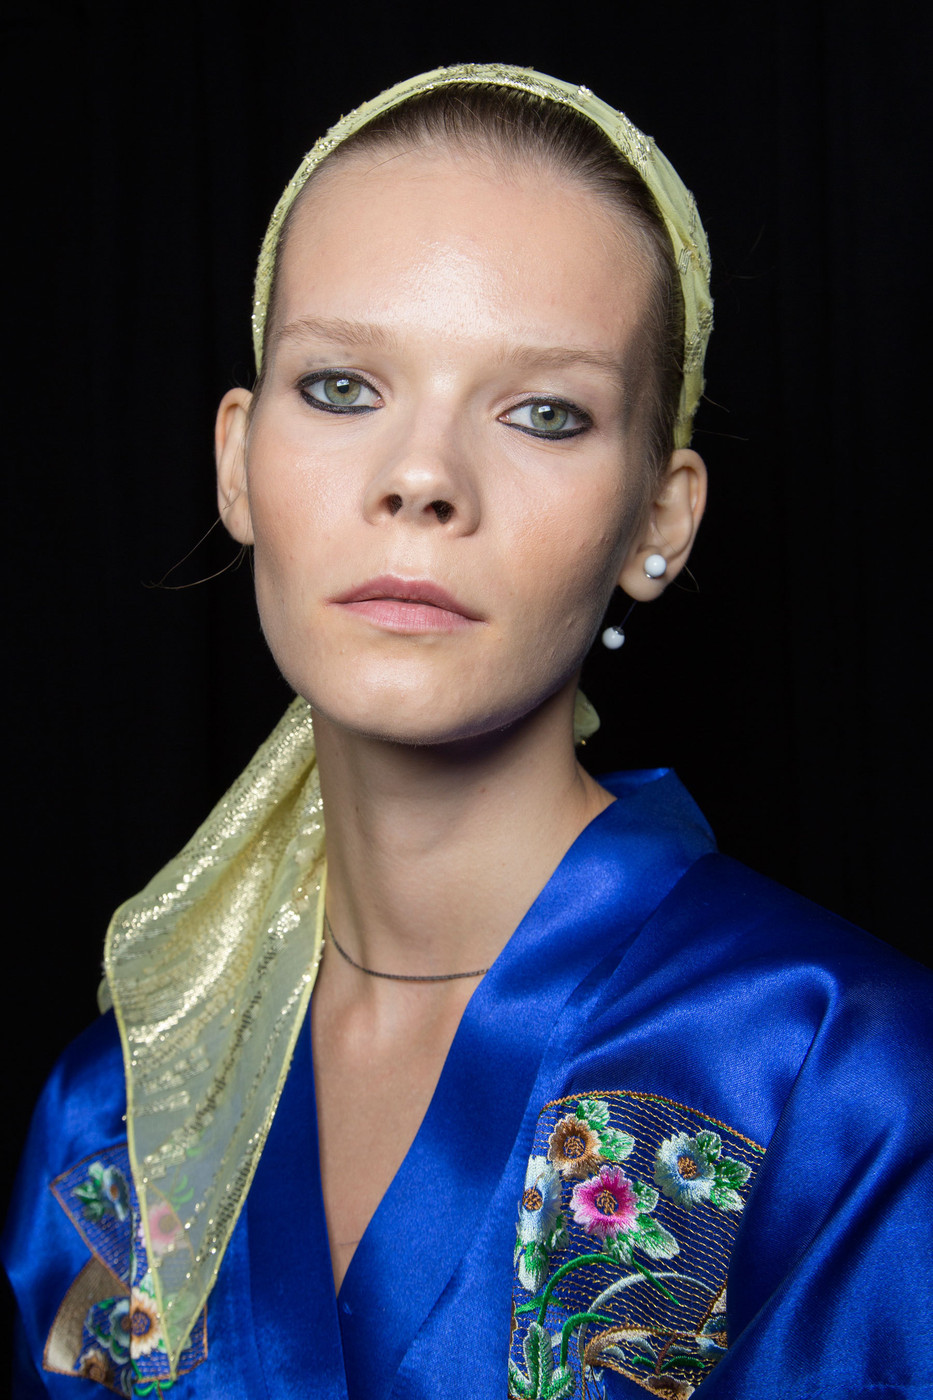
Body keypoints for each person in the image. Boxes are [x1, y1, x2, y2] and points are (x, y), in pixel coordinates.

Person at [3, 63, 931, 1400]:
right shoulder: (116, 1115)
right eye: (341, 387)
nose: (422, 478)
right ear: (237, 459)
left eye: (543, 413)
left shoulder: (840, 1078)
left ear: (660, 518)